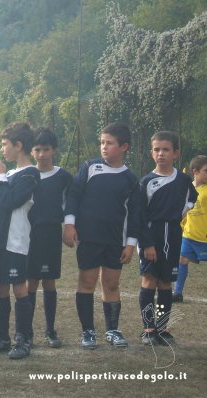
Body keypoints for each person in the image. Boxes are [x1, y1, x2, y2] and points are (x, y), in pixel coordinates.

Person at [63, 122, 140, 349]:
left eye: (109, 143)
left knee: (111, 284)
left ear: (124, 146)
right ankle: (88, 331)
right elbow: (74, 196)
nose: (104, 147)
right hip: (88, 238)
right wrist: (69, 224)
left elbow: (135, 214)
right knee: (86, 281)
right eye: (102, 143)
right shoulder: (90, 167)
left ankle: (113, 330)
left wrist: (131, 244)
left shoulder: (129, 178)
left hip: (115, 240)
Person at [0, 122, 39, 360]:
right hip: (1, 242)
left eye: (5, 144)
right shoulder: (10, 175)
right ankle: (4, 337)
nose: (2, 148)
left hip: (16, 241)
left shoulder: (30, 174)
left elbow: (9, 202)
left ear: (19, 145)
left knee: (19, 287)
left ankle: (23, 338)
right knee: (0, 287)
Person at [138, 131, 197, 346]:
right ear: (151, 152)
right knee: (149, 280)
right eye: (156, 149)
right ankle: (148, 329)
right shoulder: (146, 181)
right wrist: (146, 244)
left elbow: (193, 197)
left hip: (173, 234)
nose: (161, 153)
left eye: (165, 149)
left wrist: (185, 210)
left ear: (175, 153)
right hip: (151, 234)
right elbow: (140, 215)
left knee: (165, 284)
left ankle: (162, 328)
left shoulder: (183, 180)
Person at [26, 127, 72, 349]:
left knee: (49, 281)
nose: (41, 154)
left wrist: (69, 228)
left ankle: (50, 330)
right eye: (37, 149)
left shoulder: (63, 177)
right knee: (30, 282)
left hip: (51, 233)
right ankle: (26, 331)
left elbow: (71, 205)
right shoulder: (26, 174)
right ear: (31, 151)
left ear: (53, 150)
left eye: (45, 149)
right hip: (28, 234)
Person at [173, 155, 207, 302]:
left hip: (204, 237)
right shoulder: (187, 189)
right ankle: (178, 293)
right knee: (182, 260)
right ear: (195, 171)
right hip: (188, 235)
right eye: (206, 170)